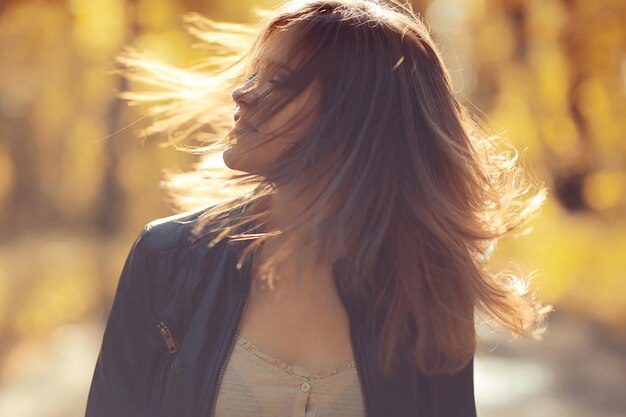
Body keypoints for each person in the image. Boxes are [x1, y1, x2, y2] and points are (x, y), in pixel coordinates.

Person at [85, 0, 553, 416]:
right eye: (253, 73)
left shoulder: (427, 283)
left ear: (354, 116)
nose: (240, 93)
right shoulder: (167, 258)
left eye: (279, 81)